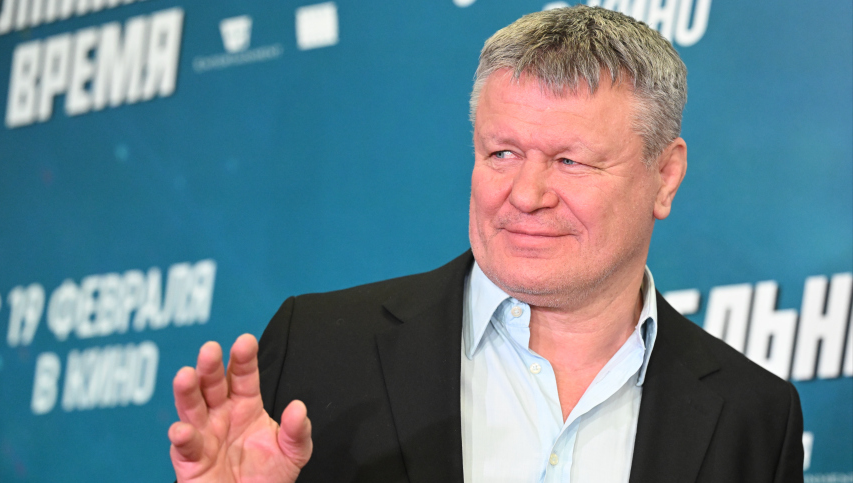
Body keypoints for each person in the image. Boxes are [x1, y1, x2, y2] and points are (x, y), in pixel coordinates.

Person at [168, 6, 804, 483]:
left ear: (664, 176)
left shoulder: (753, 417)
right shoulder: (319, 347)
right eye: (502, 153)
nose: (526, 194)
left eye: (570, 160)